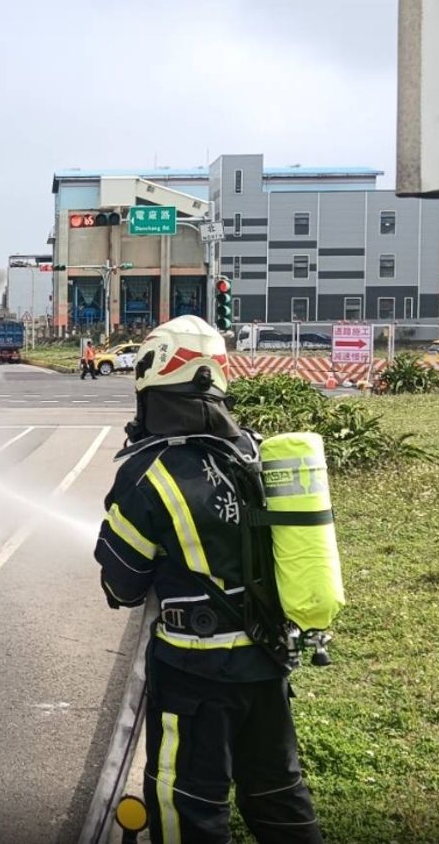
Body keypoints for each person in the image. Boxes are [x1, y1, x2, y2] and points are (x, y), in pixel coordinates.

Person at [94, 315, 322, 844]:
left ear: (153, 389)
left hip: (194, 676)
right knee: (278, 797)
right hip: (268, 663)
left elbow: (121, 586)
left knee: (187, 806)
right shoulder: (258, 454)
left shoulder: (148, 474)